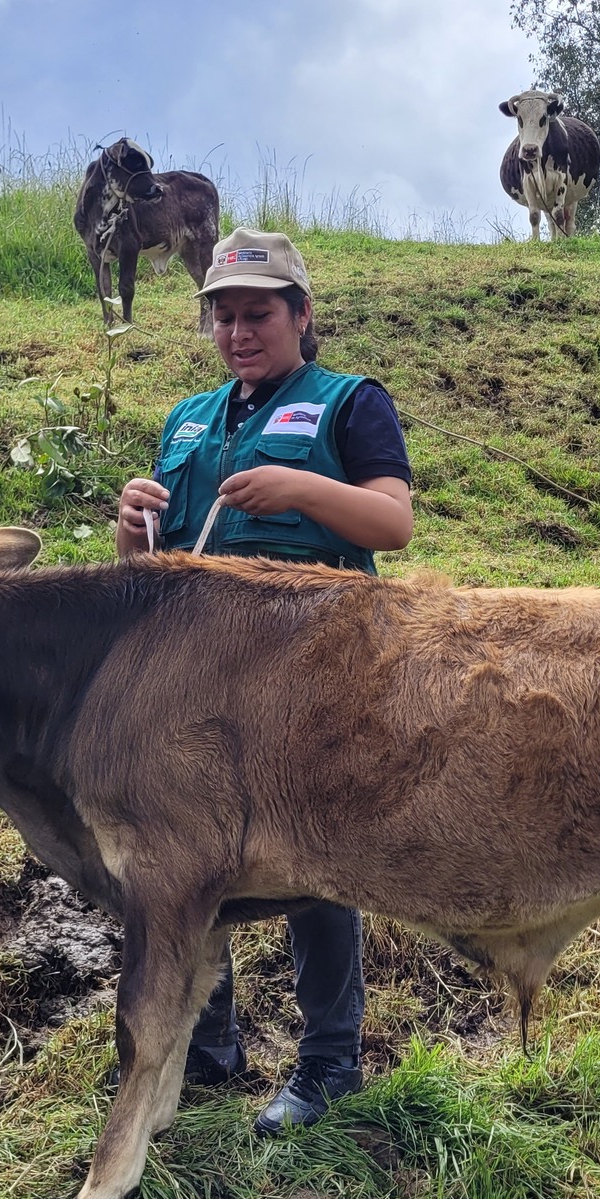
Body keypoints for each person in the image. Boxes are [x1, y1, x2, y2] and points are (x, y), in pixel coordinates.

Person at [114, 227, 415, 1135]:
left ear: (301, 315)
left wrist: (299, 490)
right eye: (225, 317)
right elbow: (146, 564)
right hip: (196, 685)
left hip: (315, 676)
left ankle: (330, 1063)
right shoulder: (190, 417)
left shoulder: (349, 403)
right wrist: (131, 526)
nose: (240, 332)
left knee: (318, 865)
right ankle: (209, 1050)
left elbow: (393, 523)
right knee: (193, 857)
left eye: (259, 314)